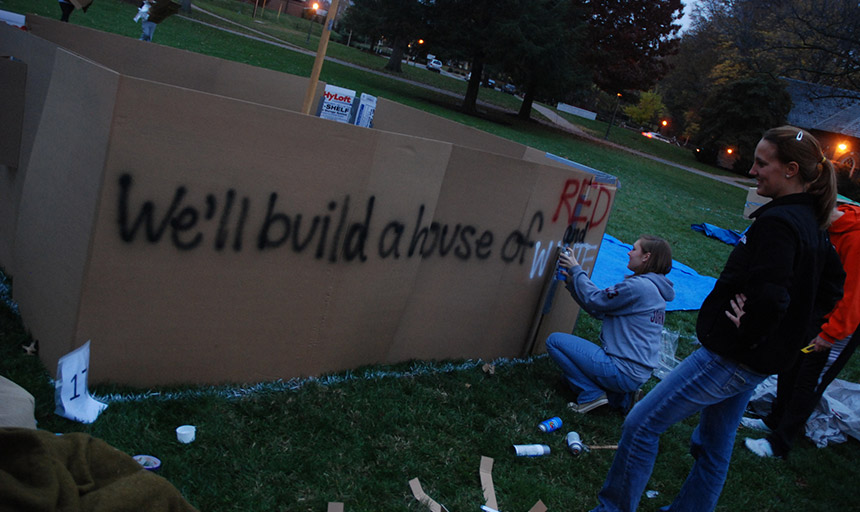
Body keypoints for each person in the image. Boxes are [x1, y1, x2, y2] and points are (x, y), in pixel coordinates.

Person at [588, 126, 845, 512]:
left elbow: (774, 295)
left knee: (641, 424)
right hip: (755, 358)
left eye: (762, 163)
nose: (753, 170)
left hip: (732, 357)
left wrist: (754, 330)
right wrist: (789, 335)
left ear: (791, 169)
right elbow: (831, 289)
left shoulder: (781, 224)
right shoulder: (811, 221)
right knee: (713, 445)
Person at [742, 191, 860, 458]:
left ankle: (780, 443)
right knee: (790, 362)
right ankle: (773, 419)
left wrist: (828, 336)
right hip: (816, 312)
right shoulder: (825, 226)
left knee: (808, 378)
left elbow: (852, 298)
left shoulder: (854, 240)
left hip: (839, 325)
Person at [546, 235, 674, 413]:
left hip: (622, 370)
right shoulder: (655, 290)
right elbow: (598, 310)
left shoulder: (639, 287)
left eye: (634, 249)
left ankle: (591, 395)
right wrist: (572, 284)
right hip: (637, 373)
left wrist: (576, 270)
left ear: (646, 257)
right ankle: (623, 399)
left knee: (555, 342)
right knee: (566, 379)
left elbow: (596, 300)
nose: (629, 253)